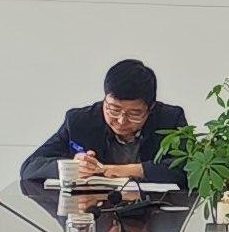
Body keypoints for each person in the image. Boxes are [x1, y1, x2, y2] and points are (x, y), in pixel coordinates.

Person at [18, 58, 187, 187]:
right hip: (95, 211)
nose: (121, 120)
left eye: (134, 114)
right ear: (104, 99)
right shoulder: (80, 121)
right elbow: (30, 167)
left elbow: (185, 169)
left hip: (154, 212)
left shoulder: (170, 119)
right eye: (113, 109)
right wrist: (73, 166)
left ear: (150, 108)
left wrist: (118, 170)